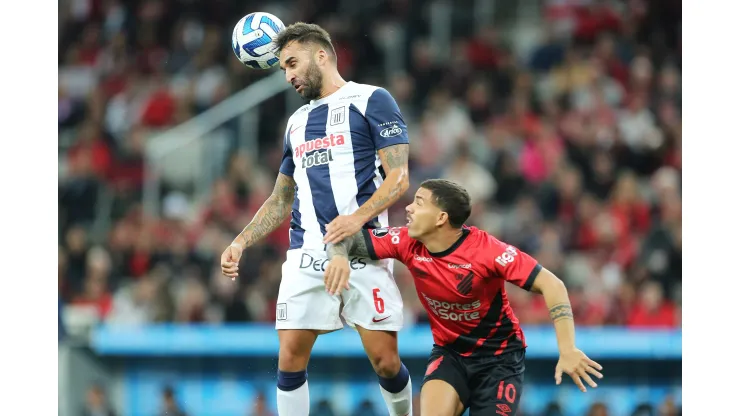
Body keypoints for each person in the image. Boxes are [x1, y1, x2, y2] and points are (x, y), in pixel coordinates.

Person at [220, 22, 413, 416]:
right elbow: (280, 199)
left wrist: (355, 220)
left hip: (366, 247)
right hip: (307, 253)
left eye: (292, 63)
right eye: (282, 69)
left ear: (321, 54)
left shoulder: (371, 100)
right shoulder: (296, 123)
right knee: (290, 355)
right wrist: (240, 241)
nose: (288, 75)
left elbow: (399, 177)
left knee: (386, 362)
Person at [324, 179, 604, 416]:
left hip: (499, 360)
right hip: (451, 355)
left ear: (441, 218)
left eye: (419, 202)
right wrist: (338, 258)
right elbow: (344, 237)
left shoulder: (487, 252)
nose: (408, 207)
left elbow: (553, 285)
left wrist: (567, 349)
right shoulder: (406, 242)